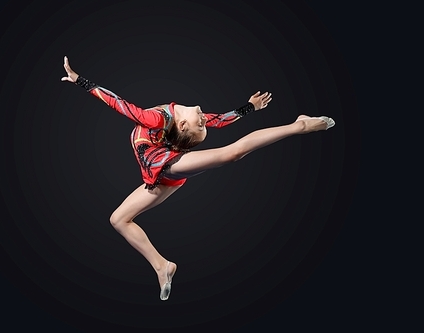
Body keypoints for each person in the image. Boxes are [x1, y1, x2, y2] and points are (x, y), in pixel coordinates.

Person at [60, 56, 334, 300]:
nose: (204, 119)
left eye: (200, 124)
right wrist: (248, 107)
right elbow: (217, 119)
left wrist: (79, 80)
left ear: (182, 126)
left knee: (232, 154)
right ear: (180, 126)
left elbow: (121, 105)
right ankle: (162, 266)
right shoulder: (169, 119)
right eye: (202, 124)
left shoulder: (163, 119)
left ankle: (300, 125)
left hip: (168, 165)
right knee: (118, 220)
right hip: (158, 172)